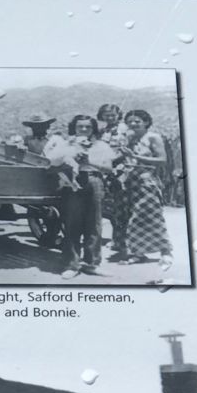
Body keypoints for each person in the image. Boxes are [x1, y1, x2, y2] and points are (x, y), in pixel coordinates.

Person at [45, 114, 115, 278]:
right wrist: (69, 156)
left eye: (88, 127)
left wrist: (88, 161)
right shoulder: (65, 144)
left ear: (93, 129)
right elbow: (51, 164)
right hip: (71, 182)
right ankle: (72, 264)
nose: (84, 130)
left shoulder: (101, 146)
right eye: (80, 127)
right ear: (74, 128)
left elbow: (108, 169)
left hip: (93, 181)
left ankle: (92, 263)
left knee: (94, 224)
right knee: (71, 223)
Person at [120, 109, 174, 272]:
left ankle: (166, 251)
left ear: (146, 122)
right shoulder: (129, 138)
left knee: (152, 216)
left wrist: (136, 158)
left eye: (137, 121)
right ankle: (138, 252)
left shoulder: (153, 137)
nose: (133, 123)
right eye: (130, 121)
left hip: (147, 182)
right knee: (134, 218)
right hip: (131, 182)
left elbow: (162, 160)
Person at [95, 103, 132, 261]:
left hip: (120, 170)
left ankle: (124, 241)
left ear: (119, 114)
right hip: (107, 170)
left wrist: (110, 163)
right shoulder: (103, 131)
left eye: (112, 114)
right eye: (106, 115)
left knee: (122, 205)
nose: (109, 117)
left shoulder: (124, 130)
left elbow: (125, 151)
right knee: (111, 207)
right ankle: (116, 239)